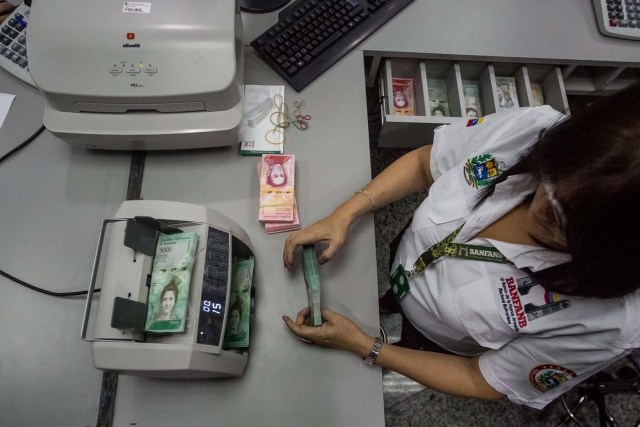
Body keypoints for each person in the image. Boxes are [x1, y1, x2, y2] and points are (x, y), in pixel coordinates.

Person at [281, 83, 640, 409]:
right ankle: (391, 299)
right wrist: (344, 214)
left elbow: (479, 378)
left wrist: (365, 345)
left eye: (565, 221)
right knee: (387, 293)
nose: (542, 205)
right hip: (408, 256)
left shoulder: (610, 322)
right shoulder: (536, 127)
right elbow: (425, 164)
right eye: (550, 178)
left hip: (435, 340)